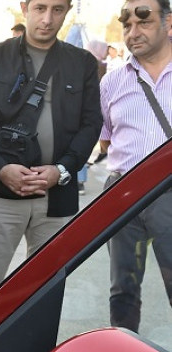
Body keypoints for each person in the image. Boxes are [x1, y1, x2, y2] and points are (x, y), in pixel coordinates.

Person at [0, 0, 103, 318]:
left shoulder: (82, 63)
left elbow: (92, 123)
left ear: (67, 11)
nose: (48, 19)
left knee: (44, 298)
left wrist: (62, 170)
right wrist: (0, 167)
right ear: (24, 7)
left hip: (57, 199)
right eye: (40, 8)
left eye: (57, 9)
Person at [100, 0, 172, 333]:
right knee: (123, 291)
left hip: (169, 196)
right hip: (122, 195)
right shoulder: (112, 82)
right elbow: (106, 140)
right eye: (126, 24)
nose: (133, 32)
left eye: (143, 21)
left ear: (168, 22)